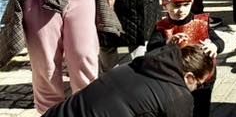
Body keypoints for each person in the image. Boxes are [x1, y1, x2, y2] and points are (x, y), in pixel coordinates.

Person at [40, 43, 215, 117]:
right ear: (189, 77)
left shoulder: (140, 64)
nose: (197, 89)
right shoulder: (178, 98)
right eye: (199, 84)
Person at [148, 0, 223, 117]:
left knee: (201, 109)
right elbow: (151, 52)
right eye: (175, 5)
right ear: (165, 5)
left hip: (203, 79)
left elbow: (219, 41)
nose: (181, 10)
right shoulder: (162, 27)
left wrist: (214, 46)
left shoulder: (201, 21)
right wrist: (168, 43)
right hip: (176, 80)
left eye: (185, 4)